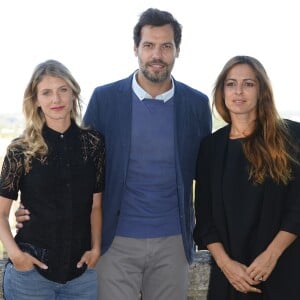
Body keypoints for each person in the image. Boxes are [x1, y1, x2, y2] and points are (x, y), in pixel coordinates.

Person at [15, 8, 212, 300]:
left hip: (173, 242)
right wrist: (36, 210)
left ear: (177, 51)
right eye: (148, 45)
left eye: (165, 46)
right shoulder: (106, 99)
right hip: (115, 241)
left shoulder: (196, 104)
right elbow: (78, 166)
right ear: (136, 49)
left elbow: (207, 175)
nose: (156, 54)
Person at [193, 55, 300, 299]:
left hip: (284, 270)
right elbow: (205, 218)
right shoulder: (211, 147)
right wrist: (227, 266)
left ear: (261, 90)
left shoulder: (292, 136)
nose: (238, 91)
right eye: (231, 84)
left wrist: (270, 256)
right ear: (222, 91)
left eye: (248, 84)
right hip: (231, 278)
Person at [0, 60, 105, 300]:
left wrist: (96, 249)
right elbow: (1, 213)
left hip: (81, 276)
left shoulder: (94, 144)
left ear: (73, 93)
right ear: (36, 100)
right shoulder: (20, 149)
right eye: (46, 92)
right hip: (30, 278)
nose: (56, 99)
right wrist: (17, 256)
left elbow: (96, 205)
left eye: (63, 90)